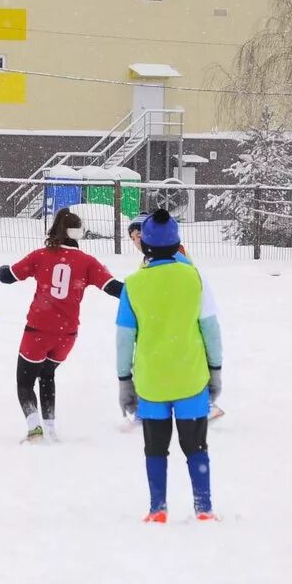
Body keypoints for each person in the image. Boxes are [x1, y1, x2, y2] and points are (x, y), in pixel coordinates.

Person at [115, 210, 223, 523]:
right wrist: (215, 371)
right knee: (196, 446)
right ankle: (204, 509)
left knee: (155, 448)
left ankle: (157, 508)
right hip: (191, 378)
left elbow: (124, 339)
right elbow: (211, 329)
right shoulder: (193, 278)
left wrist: (124, 380)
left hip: (151, 383)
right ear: (177, 243)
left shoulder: (133, 285)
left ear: (145, 245)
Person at [0, 208, 123, 442]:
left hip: (38, 331)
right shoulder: (87, 262)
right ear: (79, 233)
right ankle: (51, 429)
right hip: (67, 335)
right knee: (47, 375)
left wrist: (1, 269)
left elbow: (8, 277)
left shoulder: (41, 255)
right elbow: (114, 288)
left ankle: (34, 427)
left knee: (25, 382)